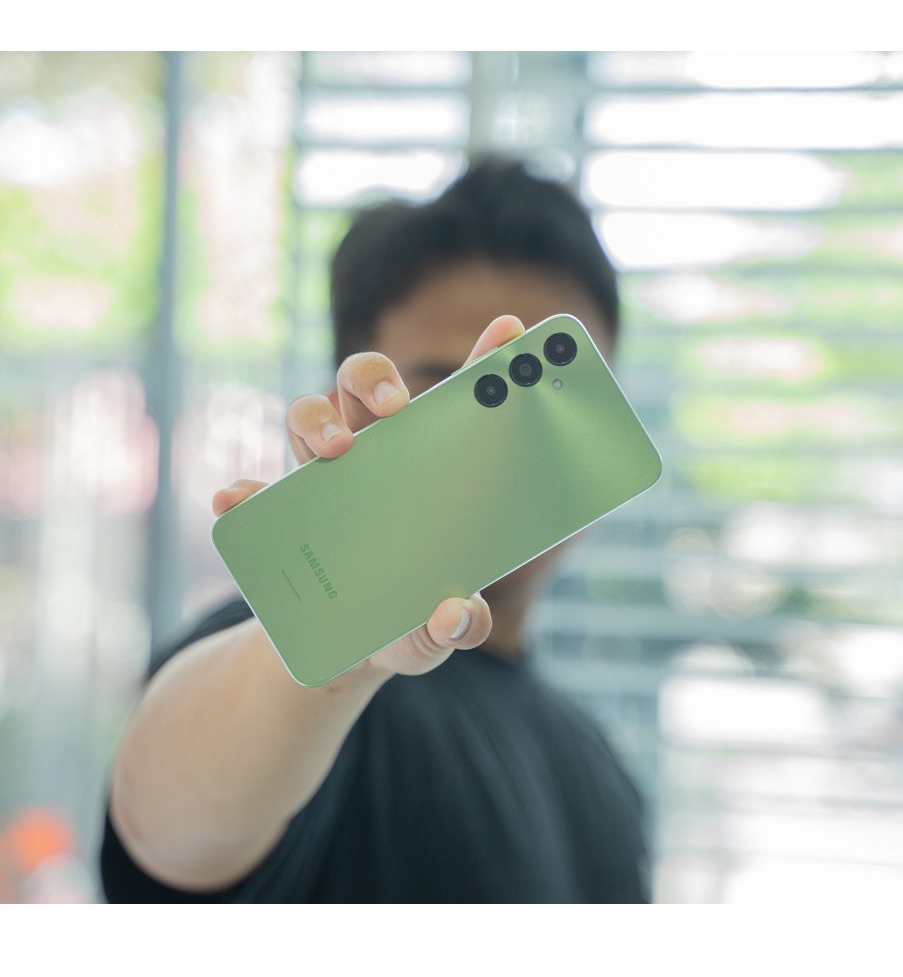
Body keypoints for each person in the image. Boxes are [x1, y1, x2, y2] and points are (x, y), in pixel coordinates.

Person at [100, 154, 651, 903]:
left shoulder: (601, 767)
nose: (503, 447)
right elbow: (168, 824)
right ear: (360, 398)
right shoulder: (295, 656)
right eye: (448, 392)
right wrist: (346, 636)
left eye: (546, 399)